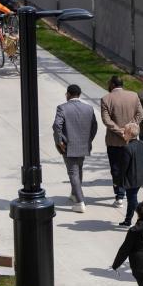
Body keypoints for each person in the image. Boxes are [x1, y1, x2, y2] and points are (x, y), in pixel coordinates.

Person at [52, 84, 97, 213]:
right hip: (83, 145)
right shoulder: (88, 108)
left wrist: (59, 141)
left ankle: (80, 202)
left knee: (73, 173)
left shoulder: (62, 108)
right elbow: (94, 126)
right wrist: (88, 140)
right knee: (79, 169)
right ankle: (74, 193)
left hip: (68, 146)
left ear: (68, 94)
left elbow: (56, 126)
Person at [101, 75, 143, 207]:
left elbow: (106, 120)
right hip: (131, 139)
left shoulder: (106, 99)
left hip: (114, 140)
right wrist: (129, 129)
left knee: (115, 168)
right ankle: (127, 192)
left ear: (112, 85)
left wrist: (121, 131)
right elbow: (140, 115)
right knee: (129, 166)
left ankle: (119, 195)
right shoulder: (134, 96)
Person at [119, 123, 143, 226]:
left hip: (131, 179)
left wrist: (118, 181)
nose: (123, 134)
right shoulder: (142, 144)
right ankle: (128, 220)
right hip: (140, 178)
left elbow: (124, 167)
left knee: (133, 201)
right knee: (131, 198)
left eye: (125, 132)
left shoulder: (127, 148)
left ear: (130, 134)